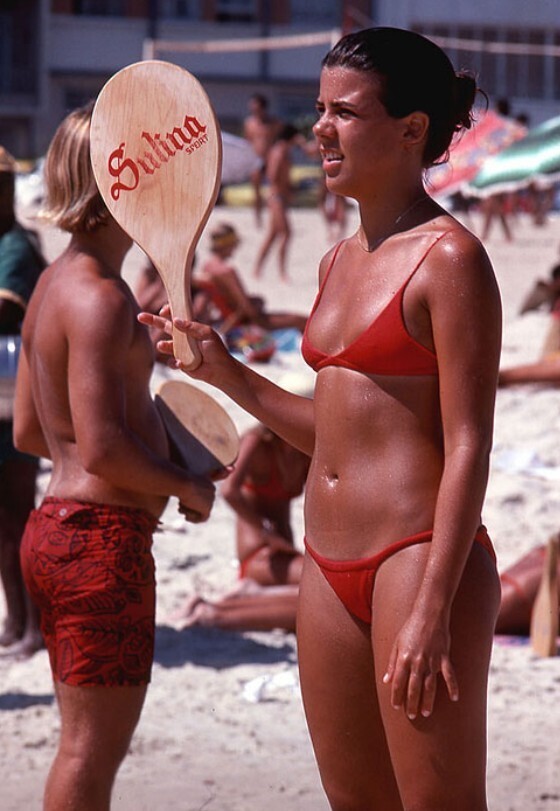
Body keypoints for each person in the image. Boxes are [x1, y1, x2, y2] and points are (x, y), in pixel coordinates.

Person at [140, 27, 502, 811]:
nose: (319, 130)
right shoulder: (337, 260)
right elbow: (331, 435)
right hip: (325, 564)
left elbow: (471, 442)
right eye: (317, 110)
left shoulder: (451, 258)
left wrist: (434, 603)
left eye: (343, 112)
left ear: (411, 130)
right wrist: (222, 368)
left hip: (417, 557)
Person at [13, 103, 216, 811]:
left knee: (81, 746)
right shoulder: (100, 298)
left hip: (54, 530)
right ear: (118, 187)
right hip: (100, 542)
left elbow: (32, 434)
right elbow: (100, 449)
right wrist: (185, 483)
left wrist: (145, 436)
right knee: (89, 754)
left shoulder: (51, 285)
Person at [170, 407, 310, 633]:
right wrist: (265, 531)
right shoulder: (257, 442)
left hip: (283, 550)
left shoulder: (303, 449)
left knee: (315, 593)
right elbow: (229, 491)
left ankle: (232, 601)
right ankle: (219, 609)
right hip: (259, 550)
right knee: (318, 589)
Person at [0, 145, 45, 658]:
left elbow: (6, 313)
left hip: (13, 395)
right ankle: (16, 619)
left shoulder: (16, 246)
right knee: (5, 519)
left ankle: (32, 624)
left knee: (17, 513)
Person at [195, 222, 308, 334]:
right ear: (227, 244)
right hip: (250, 322)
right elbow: (247, 309)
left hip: (230, 316)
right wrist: (257, 304)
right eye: (234, 244)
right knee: (305, 321)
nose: (235, 248)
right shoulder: (227, 271)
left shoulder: (207, 267)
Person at [253, 124, 301, 282]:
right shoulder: (280, 151)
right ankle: (282, 272)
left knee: (273, 235)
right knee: (287, 233)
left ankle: (257, 269)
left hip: (279, 196)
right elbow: (273, 175)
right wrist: (285, 186)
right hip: (277, 197)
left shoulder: (282, 150)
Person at [243, 93, 282, 228]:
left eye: (256, 106)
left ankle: (274, 218)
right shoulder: (249, 123)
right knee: (256, 191)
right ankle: (258, 218)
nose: (253, 108)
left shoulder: (273, 123)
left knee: (274, 189)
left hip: (270, 158)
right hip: (256, 159)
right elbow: (248, 142)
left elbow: (280, 140)